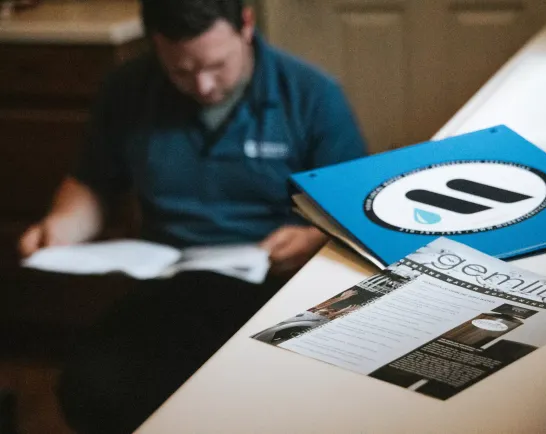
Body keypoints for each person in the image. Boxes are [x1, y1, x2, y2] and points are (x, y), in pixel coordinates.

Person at [17, 0, 366, 432]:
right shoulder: (126, 89)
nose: (202, 85)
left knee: (271, 398)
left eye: (216, 65)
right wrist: (61, 228)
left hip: (280, 284)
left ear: (246, 24)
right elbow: (91, 183)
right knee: (92, 385)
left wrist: (311, 237)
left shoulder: (312, 94)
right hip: (173, 281)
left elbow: (353, 213)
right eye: (180, 71)